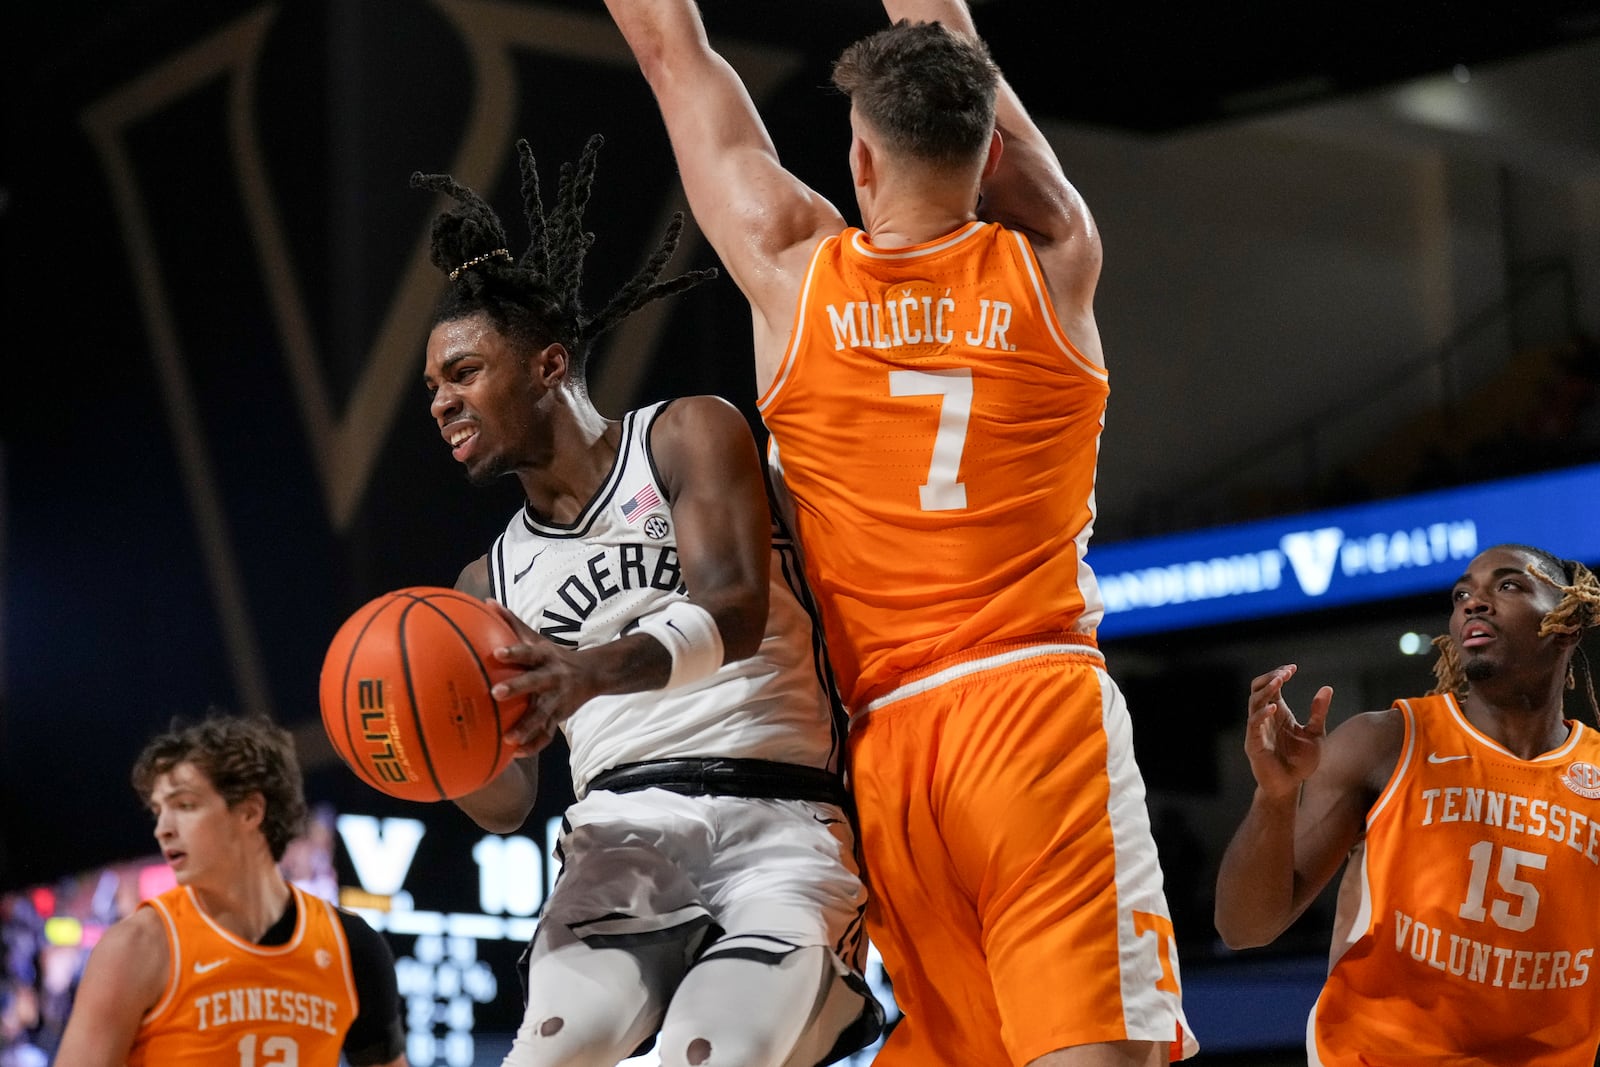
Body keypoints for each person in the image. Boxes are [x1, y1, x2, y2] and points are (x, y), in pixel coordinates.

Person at [601, 3, 1196, 1065]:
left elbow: (668, 52)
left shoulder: (793, 271)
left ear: (858, 159)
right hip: (1035, 714)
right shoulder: (1057, 260)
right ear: (993, 151)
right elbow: (952, 46)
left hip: (887, 755)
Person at [411, 135, 881, 1067]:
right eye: (431, 386)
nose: (439, 402)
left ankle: (829, 998)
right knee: (549, 1055)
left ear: (548, 365)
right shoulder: (483, 586)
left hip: (780, 817)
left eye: (461, 373)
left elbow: (738, 608)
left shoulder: (682, 434)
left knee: (711, 1053)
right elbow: (507, 801)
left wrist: (588, 673)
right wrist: (427, 746)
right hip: (622, 835)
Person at [1214, 543, 1600, 1065]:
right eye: (1462, 594)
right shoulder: (1387, 741)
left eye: (1508, 585)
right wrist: (1275, 797)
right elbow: (1244, 928)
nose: (1474, 603)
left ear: (1567, 624)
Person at [53, 712, 408, 1067]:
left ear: (250, 813)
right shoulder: (136, 948)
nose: (163, 828)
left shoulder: (353, 948)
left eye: (185, 805)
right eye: (158, 811)